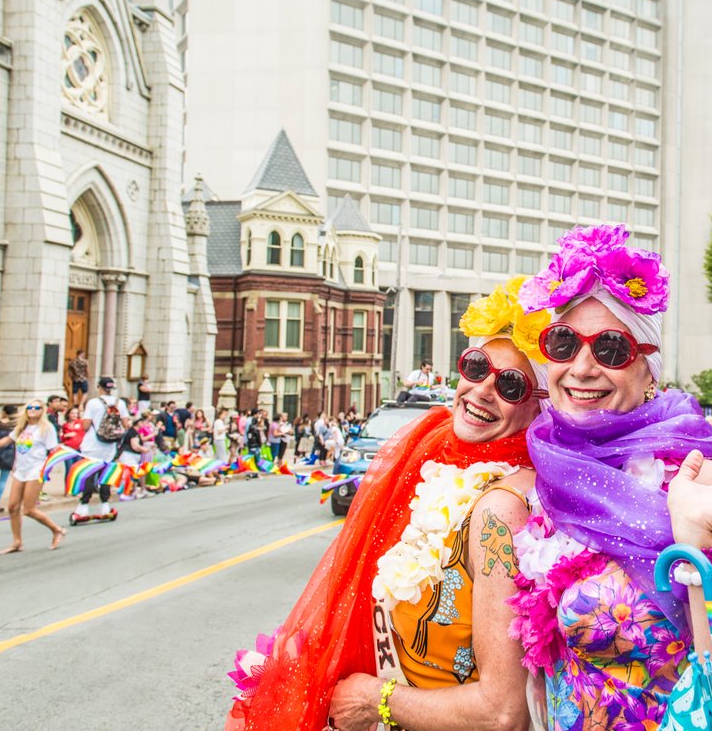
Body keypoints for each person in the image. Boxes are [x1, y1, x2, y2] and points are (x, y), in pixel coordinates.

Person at [505, 224, 712, 729]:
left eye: (611, 349)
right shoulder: (547, 460)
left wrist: (699, 543)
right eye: (563, 342)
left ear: (649, 370)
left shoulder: (693, 475)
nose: (582, 367)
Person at [229, 278, 550, 730]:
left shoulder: (503, 506)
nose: (481, 390)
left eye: (511, 386)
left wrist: (373, 699)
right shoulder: (435, 458)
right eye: (477, 367)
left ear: (540, 407)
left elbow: (502, 713)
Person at [0, 400, 66, 552]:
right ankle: (17, 542)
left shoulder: (46, 428)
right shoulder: (23, 427)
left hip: (36, 470)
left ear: (42, 411)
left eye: (37, 407)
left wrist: (47, 470)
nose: (33, 409)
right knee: (12, 507)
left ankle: (56, 530)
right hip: (21, 470)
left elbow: (53, 450)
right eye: (30, 407)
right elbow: (6, 440)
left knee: (29, 509)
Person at [75, 376, 125, 520]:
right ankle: (105, 505)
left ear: (99, 387)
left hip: (92, 445)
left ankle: (84, 505)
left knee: (89, 475)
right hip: (110, 446)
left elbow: (86, 425)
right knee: (105, 476)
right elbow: (126, 423)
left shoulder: (93, 403)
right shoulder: (119, 403)